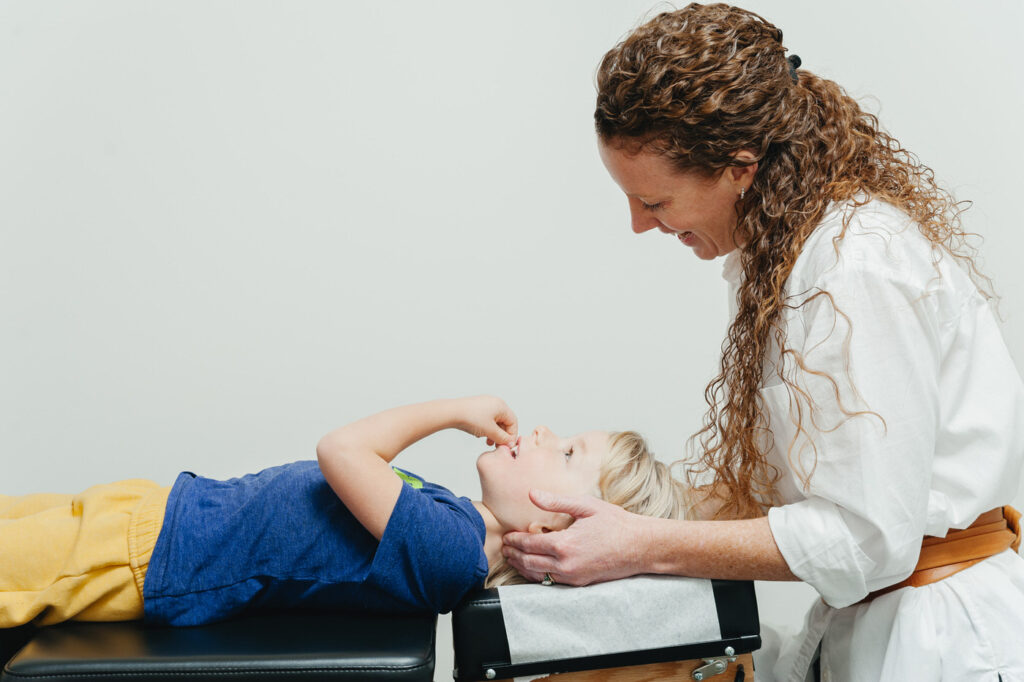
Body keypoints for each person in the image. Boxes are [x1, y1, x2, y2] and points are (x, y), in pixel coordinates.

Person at [501, 4, 1024, 680]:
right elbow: (801, 492)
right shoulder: (778, 261)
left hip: (944, 642)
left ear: (740, 167)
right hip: (877, 624)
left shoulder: (852, 269)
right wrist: (624, 511)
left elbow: (867, 540)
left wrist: (643, 542)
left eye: (656, 203)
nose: (638, 225)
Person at [0, 395, 686, 628]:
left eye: (566, 455)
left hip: (149, 557)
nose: (541, 436)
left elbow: (343, 450)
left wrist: (450, 411)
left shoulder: (451, 553)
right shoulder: (456, 516)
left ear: (549, 528)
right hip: (158, 513)